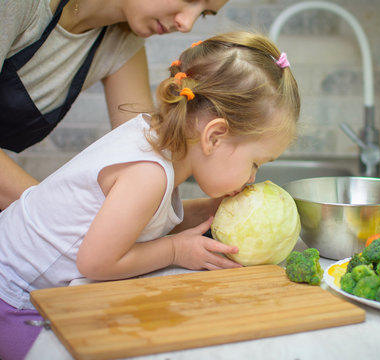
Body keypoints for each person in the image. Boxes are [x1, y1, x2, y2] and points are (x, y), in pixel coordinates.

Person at [0, 31, 300, 359]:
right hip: (12, 296)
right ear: (214, 136)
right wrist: (174, 250)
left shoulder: (155, 141)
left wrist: (211, 209)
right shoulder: (148, 174)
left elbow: (146, 221)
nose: (253, 177)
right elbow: (96, 261)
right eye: (255, 162)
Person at [0, 0, 229, 211]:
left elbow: (147, 158)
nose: (186, 24)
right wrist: (51, 214)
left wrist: (210, 209)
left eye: (205, 14)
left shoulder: (121, 41)